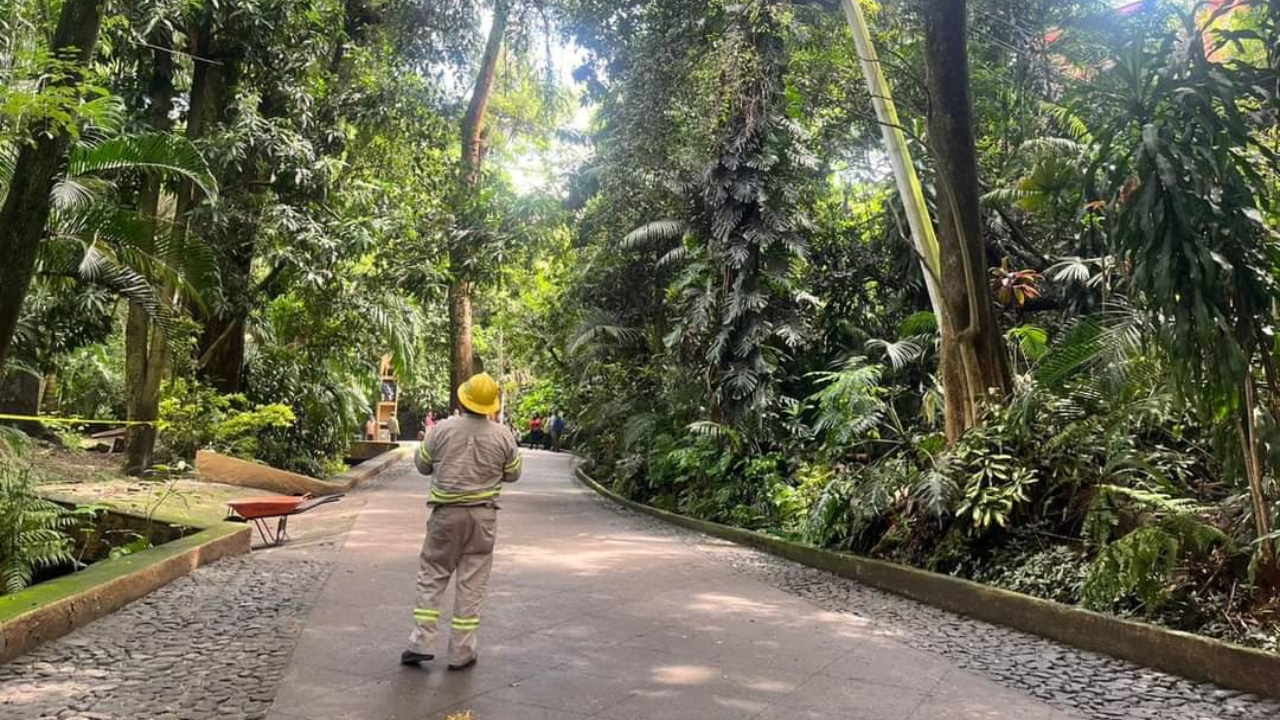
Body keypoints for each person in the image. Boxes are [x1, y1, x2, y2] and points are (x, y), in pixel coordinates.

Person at [403, 372, 522, 670]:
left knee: (433, 574)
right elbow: (514, 473)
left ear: (464, 398)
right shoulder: (503, 434)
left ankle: (420, 642)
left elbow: (422, 465)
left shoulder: (441, 429)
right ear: (491, 406)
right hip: (483, 518)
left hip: (445, 516)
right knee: (472, 583)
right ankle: (461, 651)